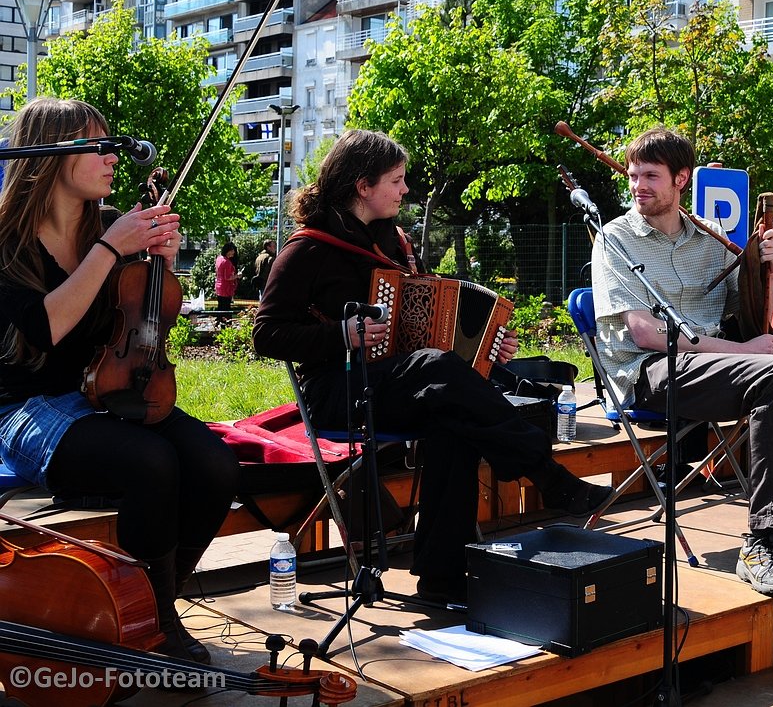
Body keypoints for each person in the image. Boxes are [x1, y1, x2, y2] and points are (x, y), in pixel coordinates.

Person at [253, 129, 611, 604]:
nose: (405, 190)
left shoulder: (395, 244)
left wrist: (488, 349)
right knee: (440, 377)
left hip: (405, 385)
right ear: (363, 185)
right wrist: (342, 335)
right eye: (396, 180)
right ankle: (545, 474)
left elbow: (429, 325)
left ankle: (443, 578)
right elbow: (266, 336)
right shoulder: (307, 250)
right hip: (337, 394)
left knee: (454, 419)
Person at [590, 127, 773, 597]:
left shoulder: (708, 242)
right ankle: (762, 541)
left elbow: (747, 313)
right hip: (652, 371)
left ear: (681, 180)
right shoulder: (615, 239)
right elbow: (646, 333)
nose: (638, 185)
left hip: (716, 364)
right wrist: (743, 351)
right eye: (634, 175)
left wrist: (762, 264)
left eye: (651, 175)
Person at [0, 97, 239, 664]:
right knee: (149, 464)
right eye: (97, 144)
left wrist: (158, 265)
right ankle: (161, 624)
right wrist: (110, 251)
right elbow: (46, 327)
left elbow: (136, 323)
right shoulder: (8, 244)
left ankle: (150, 604)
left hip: (103, 390)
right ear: (52, 155)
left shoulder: (107, 229)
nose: (112, 156)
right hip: (24, 406)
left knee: (215, 463)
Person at [214, 241, 238, 311]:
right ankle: (226, 321)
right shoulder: (226, 262)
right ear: (228, 251)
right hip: (225, 288)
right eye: (232, 250)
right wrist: (237, 276)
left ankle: (219, 320)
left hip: (219, 286)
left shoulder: (219, 258)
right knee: (226, 308)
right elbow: (227, 277)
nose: (234, 252)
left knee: (220, 306)